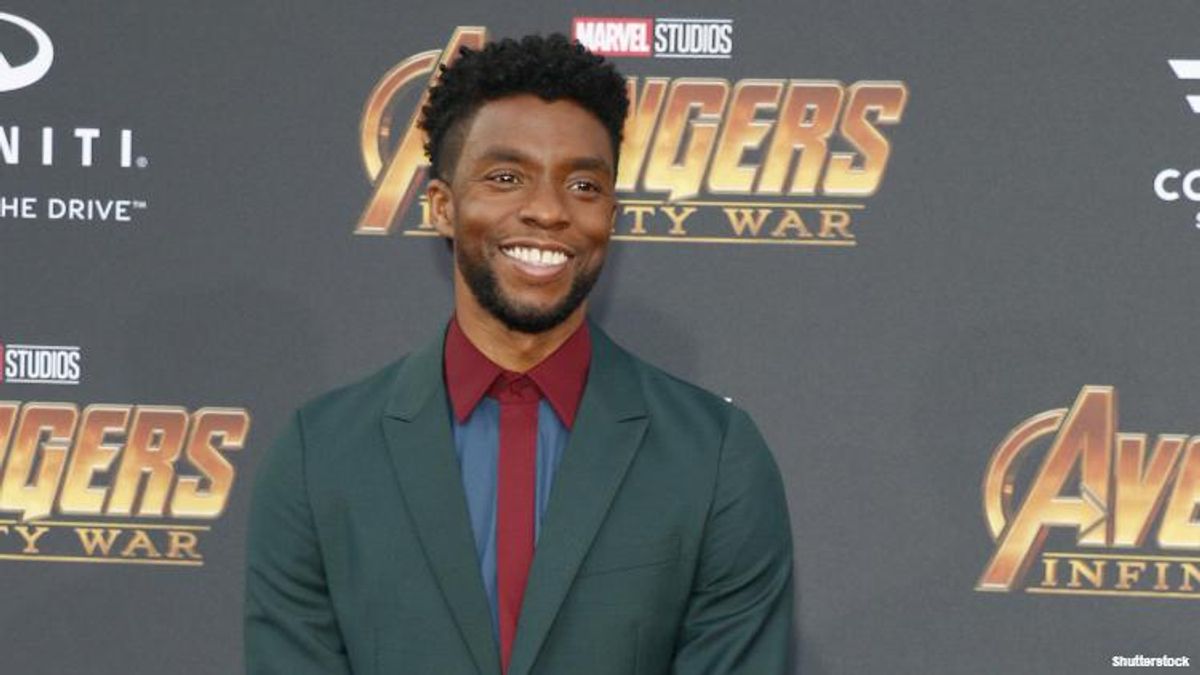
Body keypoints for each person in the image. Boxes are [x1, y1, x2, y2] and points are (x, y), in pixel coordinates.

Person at [245, 34, 793, 675]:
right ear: (442, 207)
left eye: (583, 184)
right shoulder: (320, 456)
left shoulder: (714, 456)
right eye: (506, 178)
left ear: (611, 215)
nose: (548, 211)